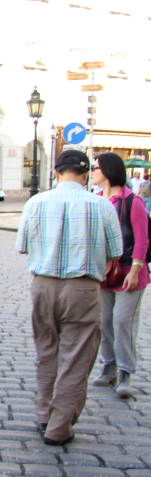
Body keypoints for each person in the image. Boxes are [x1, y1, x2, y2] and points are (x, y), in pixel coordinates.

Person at [15, 149, 123, 445]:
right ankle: (59, 427)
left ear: (56, 172)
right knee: (75, 359)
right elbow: (116, 252)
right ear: (87, 173)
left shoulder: (36, 202)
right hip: (83, 288)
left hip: (44, 286)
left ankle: (43, 415)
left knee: (46, 351)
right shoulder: (101, 206)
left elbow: (22, 244)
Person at [89, 152, 148, 399]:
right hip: (103, 272)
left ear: (109, 171)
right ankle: (109, 366)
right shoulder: (95, 199)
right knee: (104, 322)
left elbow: (142, 239)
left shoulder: (133, 201)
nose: (91, 171)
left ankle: (125, 372)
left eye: (95, 167)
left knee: (123, 321)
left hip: (127, 272)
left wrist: (135, 269)